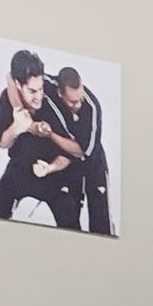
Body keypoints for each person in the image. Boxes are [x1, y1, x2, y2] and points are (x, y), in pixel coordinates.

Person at [0, 50, 80, 228]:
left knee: (72, 225)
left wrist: (50, 168)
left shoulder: (54, 102)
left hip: (56, 175)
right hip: (20, 169)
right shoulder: (5, 100)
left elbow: (71, 154)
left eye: (40, 89)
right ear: (18, 85)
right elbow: (1, 142)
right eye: (32, 90)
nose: (38, 96)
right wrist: (16, 128)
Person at [47, 66, 113, 235]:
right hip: (68, 165)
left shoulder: (92, 108)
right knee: (69, 219)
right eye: (72, 102)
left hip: (93, 163)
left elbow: (81, 151)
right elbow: (15, 76)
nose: (78, 105)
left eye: (80, 98)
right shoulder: (48, 85)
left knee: (101, 221)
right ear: (60, 93)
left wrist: (51, 135)